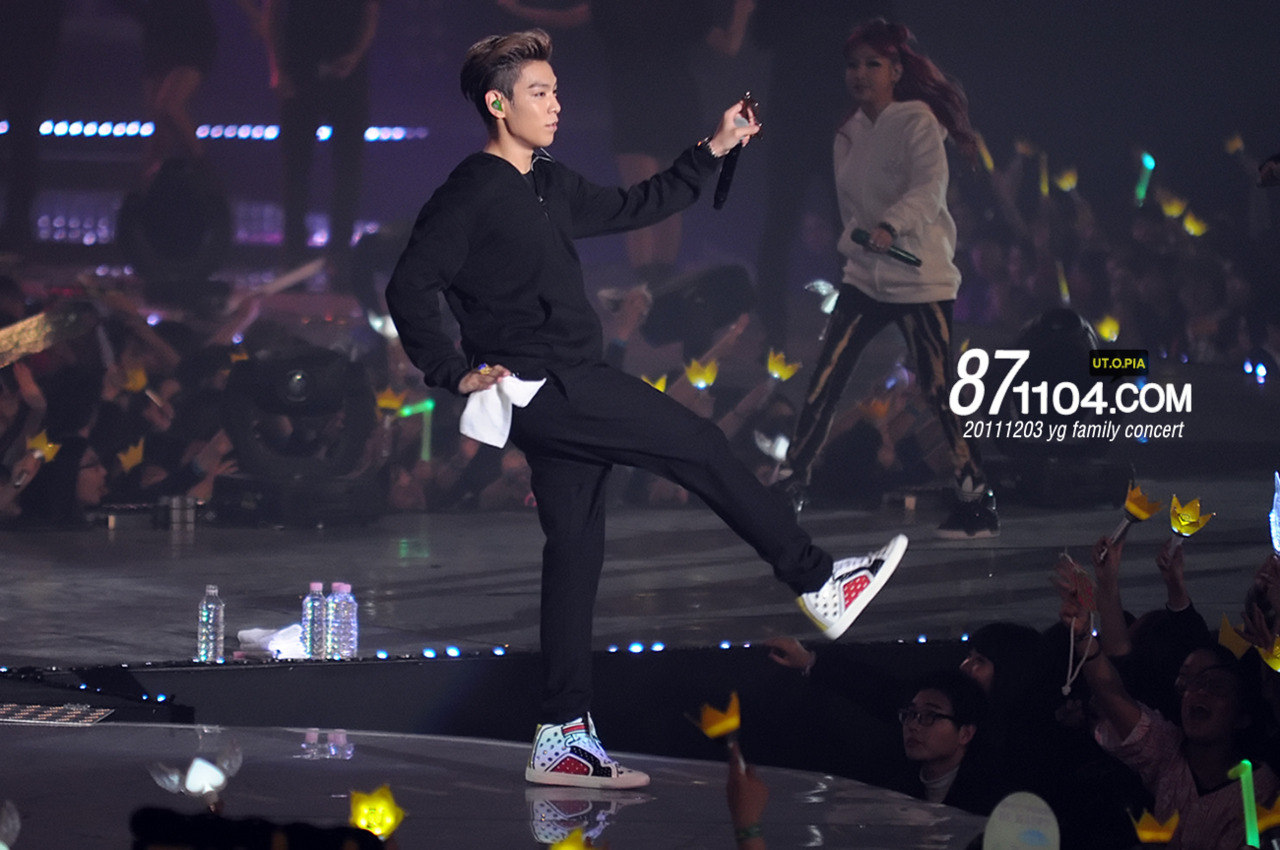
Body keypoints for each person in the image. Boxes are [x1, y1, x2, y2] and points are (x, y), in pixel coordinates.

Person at [385, 28, 907, 790]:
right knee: (698, 443)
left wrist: (717, 147)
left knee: (575, 557)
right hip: (550, 385)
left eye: (557, 91)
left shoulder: (546, 180)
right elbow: (409, 284)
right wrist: (453, 370)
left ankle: (561, 736)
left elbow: (638, 204)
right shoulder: (471, 190)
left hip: (564, 385)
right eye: (539, 93)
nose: (556, 105)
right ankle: (818, 581)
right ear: (497, 105)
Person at [772, 19, 997, 539]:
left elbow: (930, 190)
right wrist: (857, 240)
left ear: (895, 70)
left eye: (872, 64)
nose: (860, 74)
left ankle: (975, 497)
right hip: (866, 279)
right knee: (826, 377)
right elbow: (850, 211)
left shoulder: (918, 122)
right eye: (853, 65)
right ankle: (791, 483)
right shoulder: (847, 133)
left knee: (937, 388)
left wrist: (890, 226)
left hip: (922, 280)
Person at [263, 0, 380, 269]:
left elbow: (371, 12)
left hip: (347, 73)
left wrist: (355, 56)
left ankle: (339, 254)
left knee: (347, 168)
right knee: (296, 167)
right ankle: (295, 253)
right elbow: (271, 12)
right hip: (300, 69)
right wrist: (277, 69)